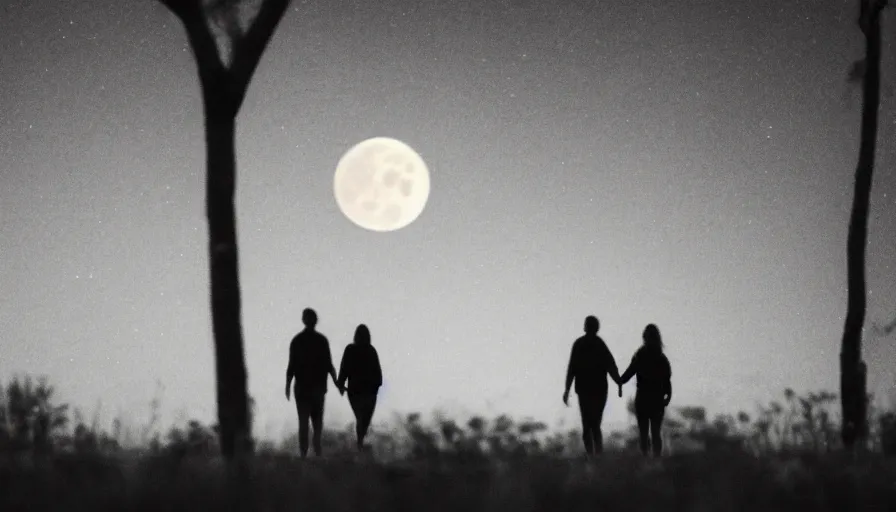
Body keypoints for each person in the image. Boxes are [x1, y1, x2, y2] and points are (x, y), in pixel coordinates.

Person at [285, 307, 341, 458]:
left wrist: (288, 386)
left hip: (308, 389)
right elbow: (329, 365)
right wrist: (337, 383)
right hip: (313, 388)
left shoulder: (299, 340)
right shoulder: (318, 340)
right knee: (314, 424)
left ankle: (308, 454)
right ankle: (313, 454)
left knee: (308, 424)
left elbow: (328, 365)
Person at [563, 315, 621, 456]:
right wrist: (618, 382)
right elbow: (611, 366)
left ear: (585, 327)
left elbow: (572, 369)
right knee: (594, 426)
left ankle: (593, 457)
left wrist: (567, 390)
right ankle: (596, 457)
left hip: (587, 391)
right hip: (597, 391)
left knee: (588, 427)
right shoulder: (599, 344)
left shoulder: (580, 344)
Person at [619, 323, 672, 457]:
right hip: (657, 399)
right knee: (656, 432)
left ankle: (645, 459)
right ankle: (656, 460)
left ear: (645, 338)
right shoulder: (661, 357)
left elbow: (630, 372)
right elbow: (667, 380)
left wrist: (619, 381)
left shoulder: (640, 354)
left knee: (643, 433)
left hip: (642, 398)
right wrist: (667, 397)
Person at [337, 324, 383, 452]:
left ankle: (360, 443)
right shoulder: (368, 350)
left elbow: (343, 370)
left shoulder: (353, 350)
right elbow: (378, 375)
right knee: (363, 419)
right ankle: (360, 443)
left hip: (359, 392)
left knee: (361, 419)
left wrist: (341, 384)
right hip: (364, 393)